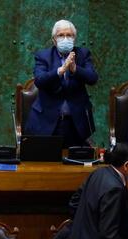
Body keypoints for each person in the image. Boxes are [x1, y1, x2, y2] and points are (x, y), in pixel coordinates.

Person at [25, 20, 98, 148]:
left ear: (74, 38)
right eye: (61, 35)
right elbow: (40, 81)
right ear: (54, 40)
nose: (65, 38)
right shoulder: (43, 56)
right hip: (47, 121)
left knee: (76, 165)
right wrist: (61, 70)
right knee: (46, 165)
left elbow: (93, 78)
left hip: (75, 122)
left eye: (69, 35)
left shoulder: (83, 54)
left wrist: (75, 69)